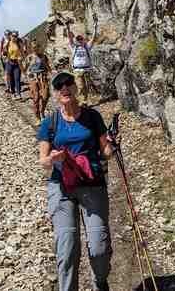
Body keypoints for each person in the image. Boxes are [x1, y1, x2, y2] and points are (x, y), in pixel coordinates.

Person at [37, 72, 114, 291]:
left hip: (92, 183)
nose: (65, 89)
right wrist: (52, 159)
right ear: (55, 93)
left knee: (99, 247)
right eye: (59, 86)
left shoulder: (92, 117)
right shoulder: (50, 123)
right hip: (61, 185)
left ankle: (100, 281)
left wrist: (113, 145)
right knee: (67, 248)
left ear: (75, 88)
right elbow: (43, 160)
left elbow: (105, 151)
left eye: (68, 84)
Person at [23, 41, 51, 120]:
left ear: (39, 47)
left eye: (37, 47)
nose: (35, 49)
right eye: (34, 48)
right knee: (36, 97)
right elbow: (25, 68)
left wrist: (51, 73)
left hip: (43, 77)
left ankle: (42, 111)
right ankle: (37, 116)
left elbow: (47, 66)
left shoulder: (43, 57)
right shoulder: (29, 57)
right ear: (32, 49)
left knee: (46, 95)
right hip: (33, 78)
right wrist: (27, 75)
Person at [67, 26, 94, 104]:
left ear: (83, 40)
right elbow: (70, 38)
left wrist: (95, 27)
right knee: (81, 86)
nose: (79, 40)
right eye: (78, 39)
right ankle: (78, 101)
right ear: (76, 41)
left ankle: (84, 101)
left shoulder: (86, 47)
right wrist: (68, 27)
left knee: (86, 87)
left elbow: (93, 39)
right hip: (78, 70)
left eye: (81, 39)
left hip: (86, 70)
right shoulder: (74, 47)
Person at [3, 30, 24, 98]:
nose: (14, 37)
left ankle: (18, 93)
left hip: (17, 63)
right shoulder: (8, 43)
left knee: (17, 78)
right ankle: (13, 92)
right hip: (9, 62)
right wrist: (4, 50)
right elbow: (4, 52)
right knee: (11, 79)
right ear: (11, 36)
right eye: (13, 36)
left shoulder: (19, 43)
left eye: (16, 36)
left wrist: (22, 58)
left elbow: (22, 52)